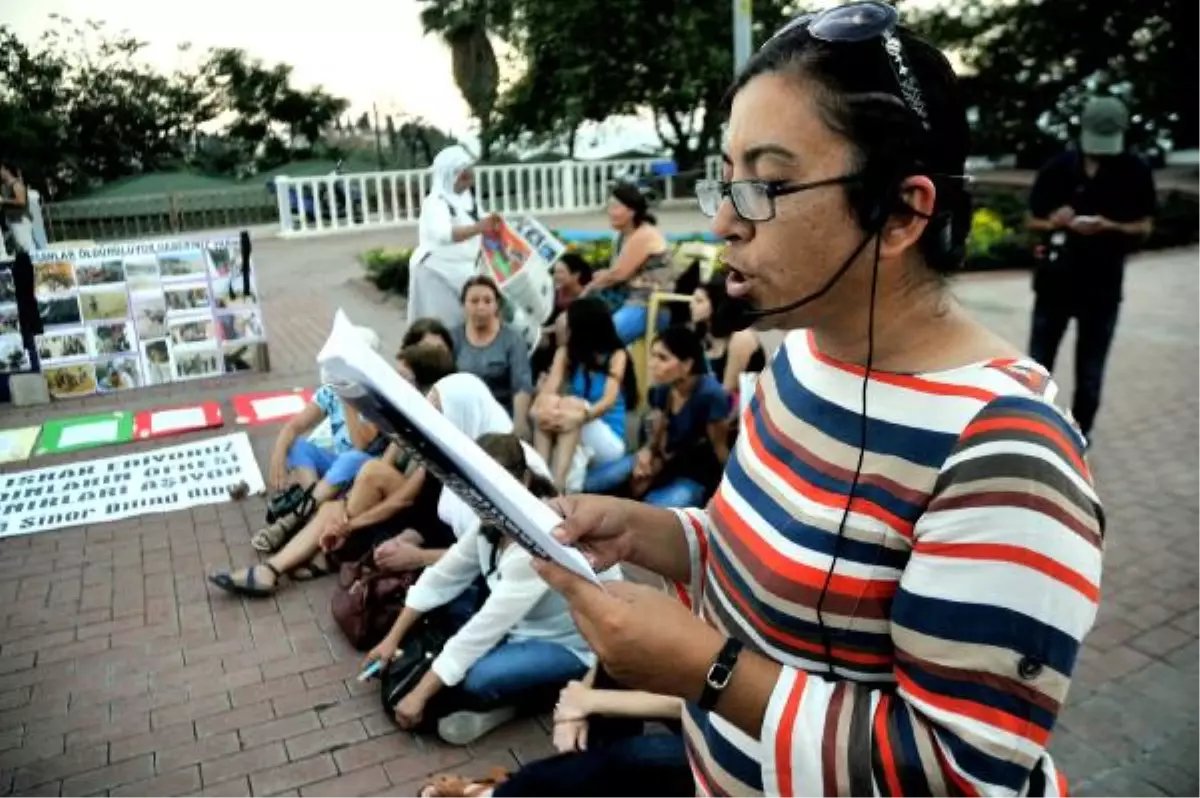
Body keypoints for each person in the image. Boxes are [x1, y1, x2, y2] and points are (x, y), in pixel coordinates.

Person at [532, 5, 1104, 796]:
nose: (728, 221)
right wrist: (649, 533)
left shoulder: (1008, 457)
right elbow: (765, 554)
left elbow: (959, 773)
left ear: (903, 211)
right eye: (727, 181)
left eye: (767, 183)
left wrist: (706, 667)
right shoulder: (799, 354)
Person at [365, 433, 610, 748]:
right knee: (447, 611)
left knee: (477, 678)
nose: (482, 499)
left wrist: (419, 694)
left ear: (522, 479)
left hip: (570, 646)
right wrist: (391, 639)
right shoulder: (492, 520)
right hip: (518, 624)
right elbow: (442, 576)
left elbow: (483, 629)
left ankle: (527, 702)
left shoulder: (539, 539)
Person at [209, 343, 458, 597]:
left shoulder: (437, 426)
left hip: (418, 514)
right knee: (334, 503)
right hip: (379, 488)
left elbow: (405, 495)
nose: (396, 382)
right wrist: (347, 507)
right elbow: (387, 462)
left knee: (362, 470)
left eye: (405, 378)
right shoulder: (406, 413)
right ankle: (271, 569)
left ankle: (319, 548)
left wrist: (349, 523)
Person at [1026, 94, 1156, 445]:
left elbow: (1144, 227)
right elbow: (1031, 220)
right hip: (1054, 284)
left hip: (1102, 288)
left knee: (1090, 374)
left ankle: (1078, 441)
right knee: (1036, 368)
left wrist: (1110, 225)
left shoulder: (1135, 171)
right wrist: (1053, 221)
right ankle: (1031, 433)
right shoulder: (1058, 167)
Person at [252, 325, 390, 552]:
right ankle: (313, 515)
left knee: (352, 457)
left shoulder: (377, 394)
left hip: (363, 469)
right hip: (334, 472)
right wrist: (278, 451)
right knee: (297, 446)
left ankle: (293, 521)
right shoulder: (331, 391)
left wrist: (349, 399)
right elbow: (295, 426)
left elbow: (362, 444)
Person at [584, 326, 731, 507]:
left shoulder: (710, 396)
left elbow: (721, 452)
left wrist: (723, 500)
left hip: (693, 475)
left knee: (649, 514)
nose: (652, 364)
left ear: (687, 364)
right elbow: (657, 432)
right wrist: (647, 452)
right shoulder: (663, 389)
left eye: (662, 358)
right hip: (661, 461)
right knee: (591, 483)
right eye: (653, 355)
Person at [531, 297, 633, 492]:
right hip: (576, 422)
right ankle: (540, 474)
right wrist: (542, 408)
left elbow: (608, 401)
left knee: (572, 404)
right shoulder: (566, 352)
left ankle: (558, 483)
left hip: (607, 436)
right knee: (549, 402)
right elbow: (549, 388)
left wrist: (580, 416)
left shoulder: (617, 355)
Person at [407, 145, 501, 330]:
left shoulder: (468, 199)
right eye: (460, 172)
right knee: (443, 326)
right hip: (436, 271)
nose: (467, 176)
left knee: (463, 324)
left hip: (464, 271)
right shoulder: (435, 202)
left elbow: (483, 223)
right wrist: (479, 227)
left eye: (468, 171)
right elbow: (445, 234)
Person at [581, 183, 672, 344]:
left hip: (649, 304)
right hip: (626, 299)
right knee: (578, 325)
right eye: (609, 206)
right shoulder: (622, 236)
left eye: (615, 207)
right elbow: (615, 273)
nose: (610, 212)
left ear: (631, 211)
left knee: (601, 340)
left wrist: (587, 290)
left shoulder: (644, 234)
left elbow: (618, 275)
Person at [450, 275, 533, 430]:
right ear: (463, 305)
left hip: (499, 416)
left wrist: (519, 424)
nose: (481, 307)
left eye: (487, 301)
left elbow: (521, 385)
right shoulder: (453, 338)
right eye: (474, 301)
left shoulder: (512, 340)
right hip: (460, 414)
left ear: (497, 305)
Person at [689, 276, 766, 394]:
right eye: (692, 300)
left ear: (717, 304)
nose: (691, 305)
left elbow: (727, 390)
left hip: (736, 406)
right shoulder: (703, 333)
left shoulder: (741, 337)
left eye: (699, 301)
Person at [533, 253, 594, 382]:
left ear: (576, 275)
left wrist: (545, 331)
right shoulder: (552, 293)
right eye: (554, 272)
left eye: (561, 272)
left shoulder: (587, 297)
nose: (556, 277)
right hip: (549, 343)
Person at [0, 162, 35, 254]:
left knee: (26, 246)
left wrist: (3, 201)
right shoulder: (5, 186)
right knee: (20, 248)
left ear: (6, 170)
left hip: (20, 219)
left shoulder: (16, 185)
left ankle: (34, 265)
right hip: (12, 220)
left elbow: (21, 201)